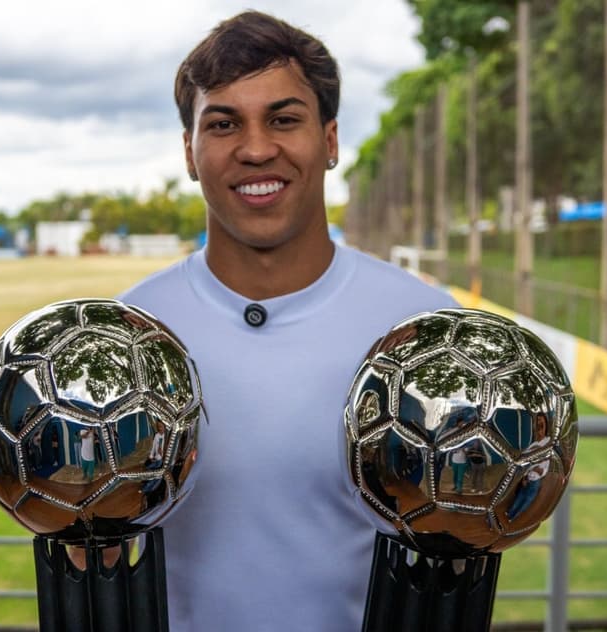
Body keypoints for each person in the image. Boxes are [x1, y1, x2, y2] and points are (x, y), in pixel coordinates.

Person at [117, 11, 458, 631]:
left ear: (329, 141)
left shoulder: (427, 328)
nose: (255, 148)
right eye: (222, 124)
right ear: (190, 155)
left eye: (283, 118)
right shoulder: (129, 334)